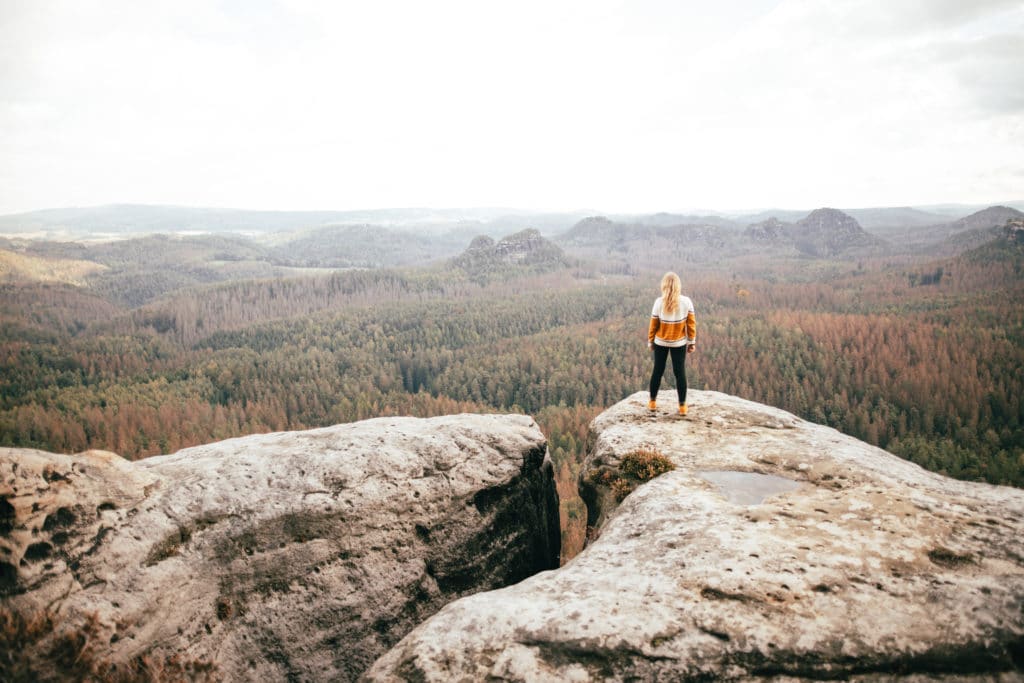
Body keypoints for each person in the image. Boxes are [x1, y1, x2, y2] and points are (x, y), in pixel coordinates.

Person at [647, 271, 697, 415]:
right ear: (678, 286)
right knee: (680, 373)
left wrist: (650, 341)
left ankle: (652, 402)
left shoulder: (658, 302)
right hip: (679, 343)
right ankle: (682, 406)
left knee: (657, 371)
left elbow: (653, 325)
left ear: (664, 286)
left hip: (660, 342)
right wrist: (691, 342)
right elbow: (691, 325)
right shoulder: (686, 302)